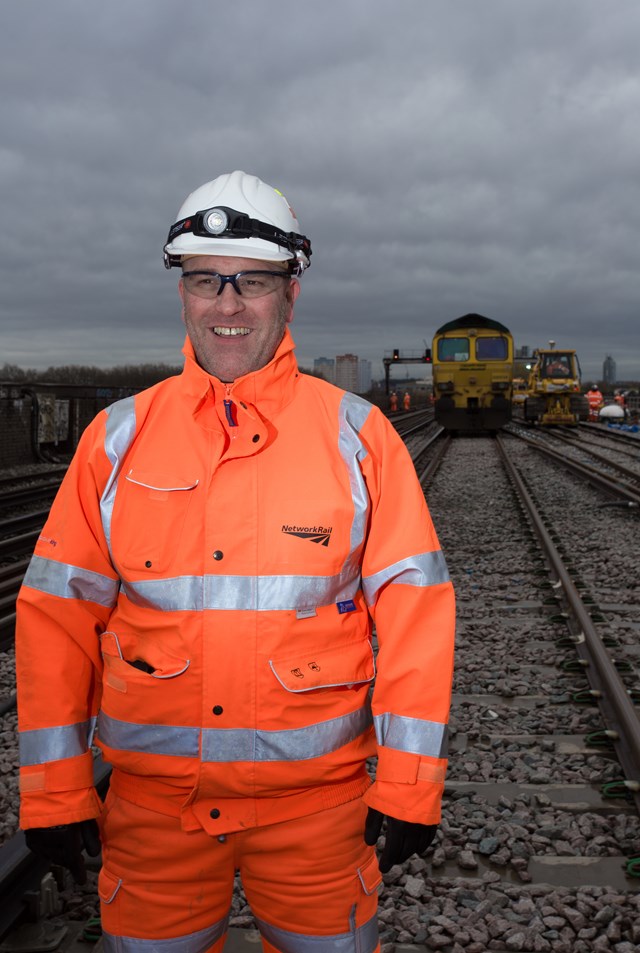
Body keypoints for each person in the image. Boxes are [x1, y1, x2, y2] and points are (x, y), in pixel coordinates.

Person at [16, 171, 455, 953]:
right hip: (153, 823)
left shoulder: (358, 436)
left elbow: (417, 612)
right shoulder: (117, 439)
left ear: (291, 294)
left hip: (319, 820)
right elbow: (57, 616)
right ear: (181, 293)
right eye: (204, 280)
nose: (227, 304)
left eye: (251, 280)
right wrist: (53, 791)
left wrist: (409, 784)